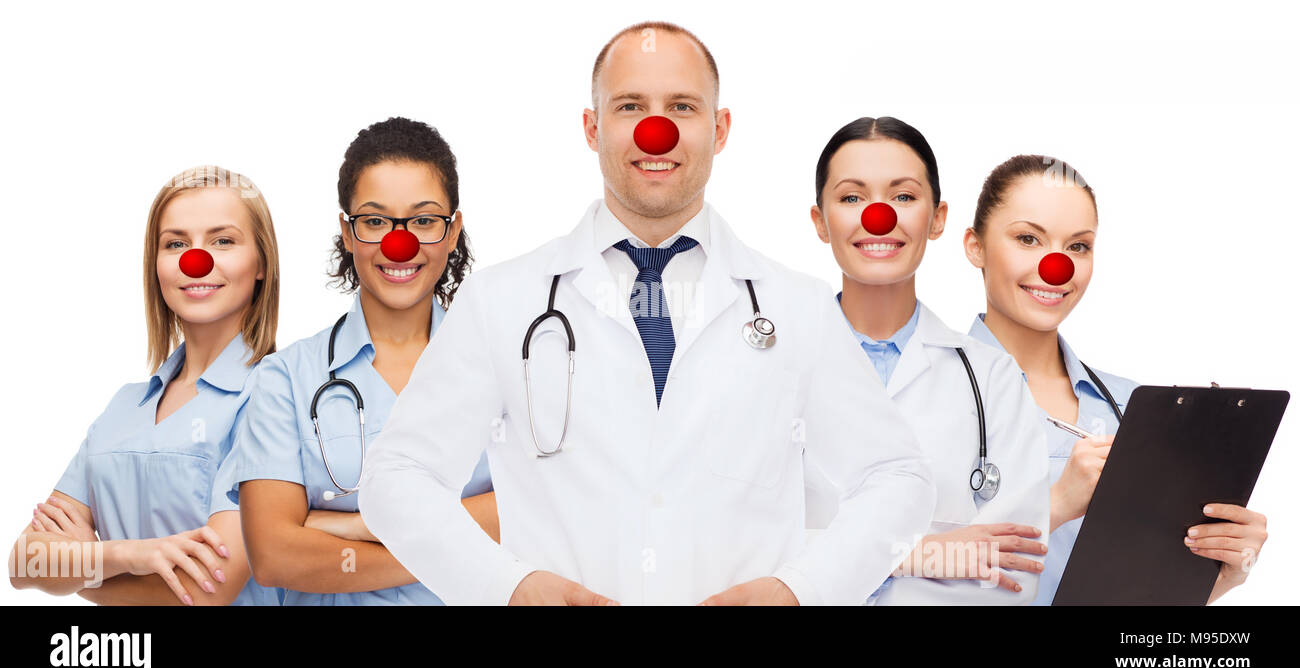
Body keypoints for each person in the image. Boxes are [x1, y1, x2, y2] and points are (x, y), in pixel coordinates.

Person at [355, 21, 935, 606]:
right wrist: (506, 587)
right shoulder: (501, 302)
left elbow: (898, 479)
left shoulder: (796, 307)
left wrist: (799, 591)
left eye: (681, 107)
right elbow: (396, 477)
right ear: (592, 127)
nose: (655, 134)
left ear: (720, 127)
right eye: (630, 106)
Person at [963, 154, 1269, 604]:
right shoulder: (915, 392)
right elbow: (881, 574)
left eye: (1078, 246)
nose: (1057, 267)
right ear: (975, 246)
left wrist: (1218, 572)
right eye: (1028, 238)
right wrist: (1056, 504)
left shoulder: (1132, 408)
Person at [228, 117, 495, 605]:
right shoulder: (284, 380)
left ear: (453, 231)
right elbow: (273, 557)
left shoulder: (504, 366)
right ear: (347, 234)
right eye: (375, 221)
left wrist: (358, 526)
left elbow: (535, 511)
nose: (401, 243)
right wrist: (449, 539)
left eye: (423, 220)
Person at [10, 165, 281, 605]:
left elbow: (207, 588)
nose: (198, 260)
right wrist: (132, 554)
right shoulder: (123, 407)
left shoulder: (275, 396)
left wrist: (84, 569)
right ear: (156, 266)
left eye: (222, 241)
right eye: (176, 244)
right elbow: (26, 565)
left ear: (262, 264)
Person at [809, 117, 1049, 604]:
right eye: (852, 197)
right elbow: (739, 554)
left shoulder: (993, 379)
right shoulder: (765, 368)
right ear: (820, 222)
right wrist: (917, 555)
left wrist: (834, 562)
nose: (879, 216)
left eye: (903, 196)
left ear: (936, 218)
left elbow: (1015, 573)